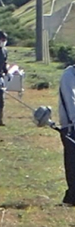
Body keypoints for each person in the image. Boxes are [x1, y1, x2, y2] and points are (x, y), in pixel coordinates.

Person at [58, 65, 75, 206]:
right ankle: (71, 198)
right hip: (70, 127)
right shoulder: (69, 75)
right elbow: (70, 101)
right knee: (72, 162)